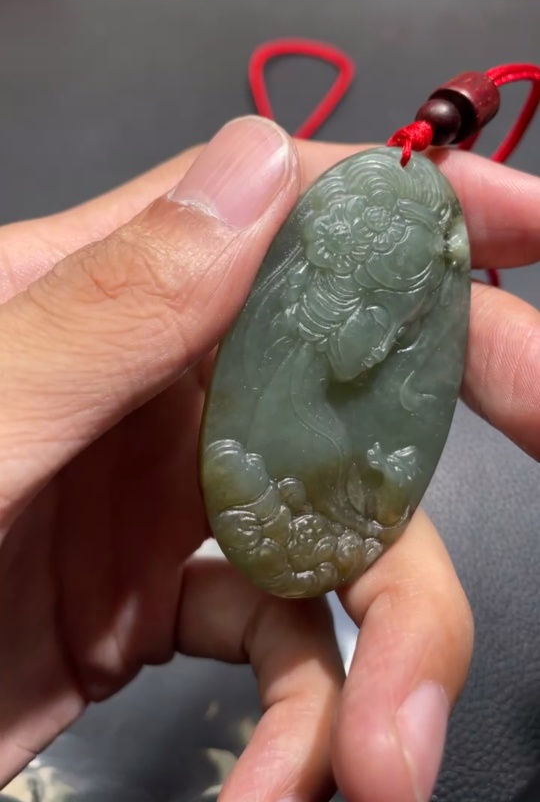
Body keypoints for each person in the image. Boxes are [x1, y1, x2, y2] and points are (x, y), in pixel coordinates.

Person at [0, 115, 538, 802]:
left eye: (402, 328)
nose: (386, 344)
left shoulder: (329, 435)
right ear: (330, 292)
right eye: (381, 315)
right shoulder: (263, 438)